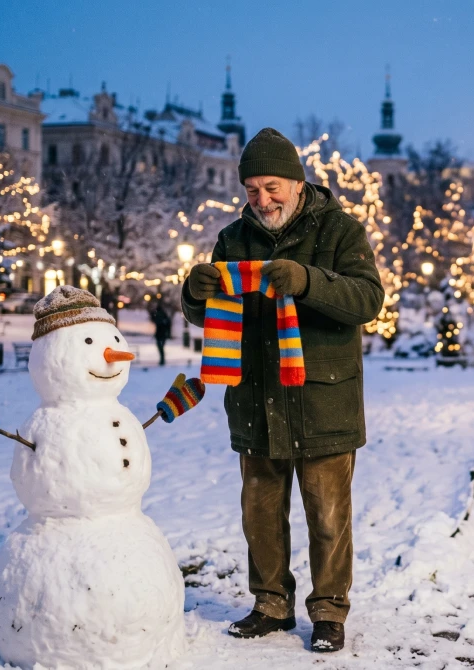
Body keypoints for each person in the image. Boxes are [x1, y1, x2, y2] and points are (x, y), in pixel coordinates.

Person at [181, 128, 384, 653]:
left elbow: (368, 300)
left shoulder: (340, 230)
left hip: (323, 399)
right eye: (252, 190)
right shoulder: (232, 239)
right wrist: (194, 295)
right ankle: (270, 603)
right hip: (256, 398)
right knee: (261, 514)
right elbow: (212, 314)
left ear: (296, 182)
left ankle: (329, 610)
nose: (262, 199)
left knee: (328, 516)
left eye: (271, 187)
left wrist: (308, 280)